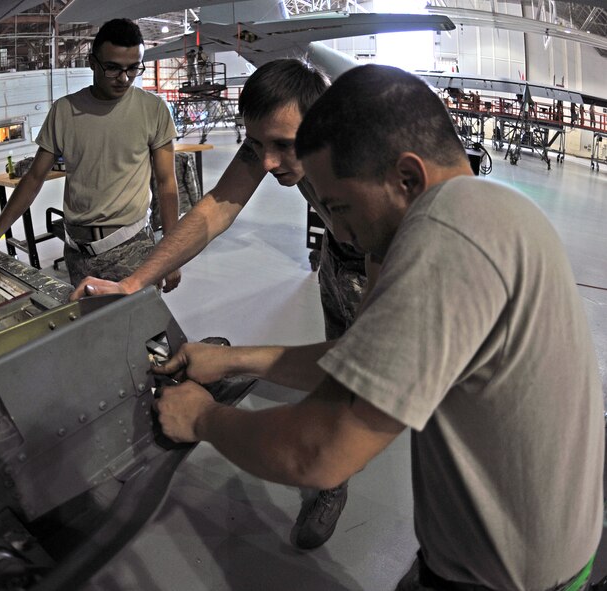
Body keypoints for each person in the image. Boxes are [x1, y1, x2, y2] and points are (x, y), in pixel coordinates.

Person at [152, 65, 603, 590]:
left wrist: (204, 418)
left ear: (406, 178)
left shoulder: (446, 240)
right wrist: (232, 358)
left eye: (340, 208)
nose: (340, 232)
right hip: (500, 555)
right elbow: (359, 361)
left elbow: (318, 452)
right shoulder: (491, 212)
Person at [71, 59, 373, 550]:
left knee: (357, 384)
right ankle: (330, 484)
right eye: (258, 145)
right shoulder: (274, 145)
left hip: (379, 267)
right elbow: (218, 207)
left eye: (283, 146)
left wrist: (224, 386)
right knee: (335, 369)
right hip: (338, 261)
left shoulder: (366, 170)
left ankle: (328, 476)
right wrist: (135, 282)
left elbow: (369, 365)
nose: (268, 162)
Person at [0, 18, 181, 289]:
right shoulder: (65, 111)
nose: (124, 78)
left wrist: (172, 252)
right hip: (76, 252)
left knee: (142, 329)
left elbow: (166, 183)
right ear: (92, 63)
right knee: (91, 328)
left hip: (132, 248)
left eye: (132, 68)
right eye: (113, 68)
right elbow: (34, 178)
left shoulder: (153, 109)